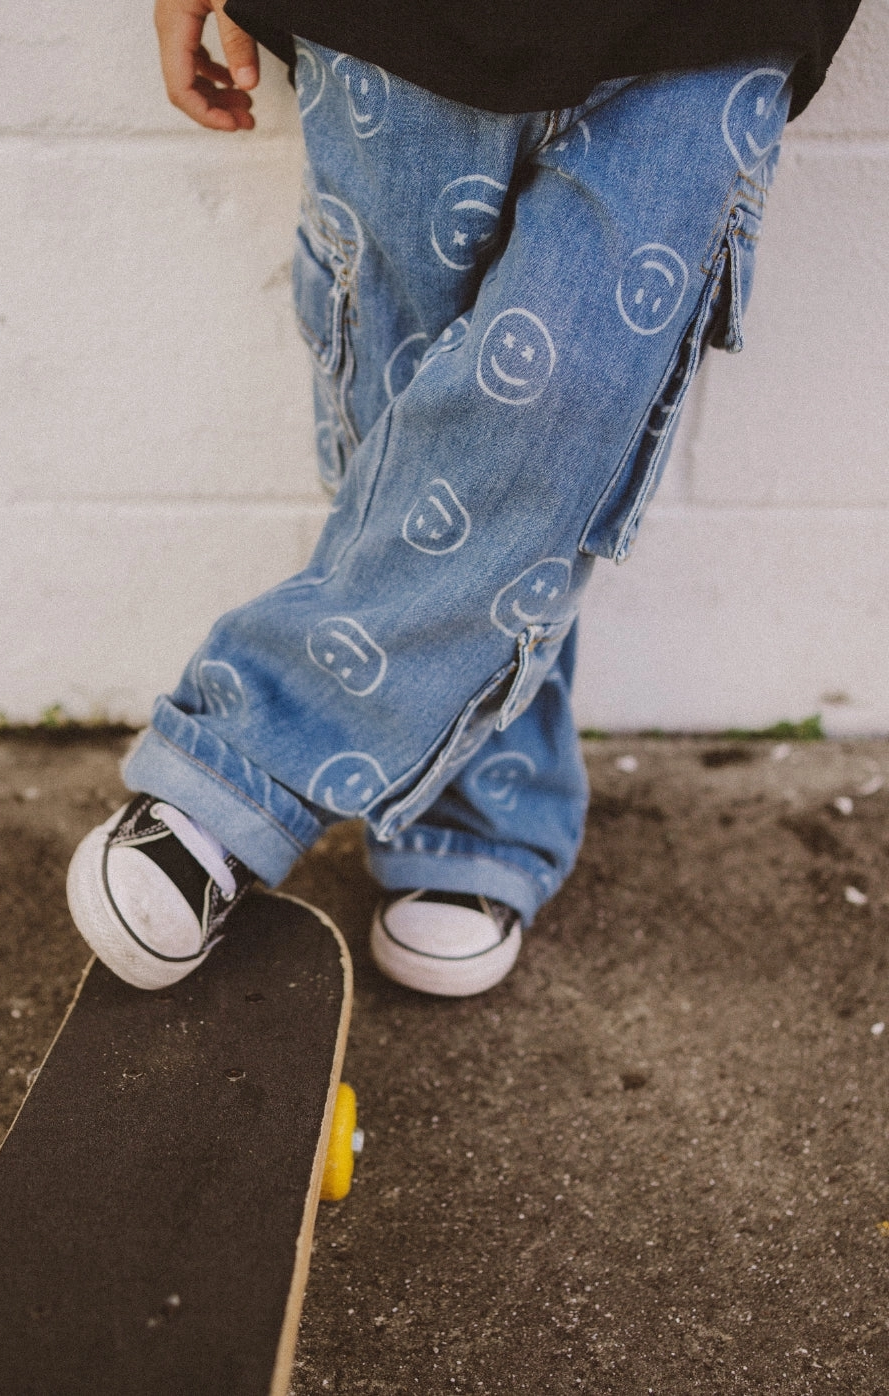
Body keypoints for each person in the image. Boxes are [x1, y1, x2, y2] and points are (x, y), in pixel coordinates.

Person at [67, 0, 860, 995]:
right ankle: (473, 812)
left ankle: (240, 770)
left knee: (564, 398)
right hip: (391, 23)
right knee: (403, 412)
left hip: (715, 21)